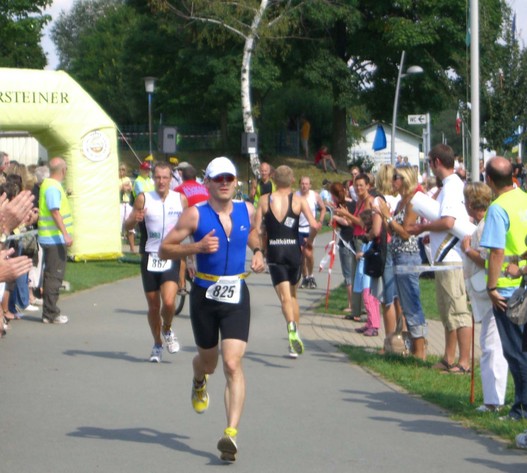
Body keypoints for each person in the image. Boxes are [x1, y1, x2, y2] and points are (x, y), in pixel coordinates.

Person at [159, 156, 265, 462]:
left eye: (229, 178)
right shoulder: (195, 214)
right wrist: (197, 248)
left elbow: (252, 233)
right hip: (204, 296)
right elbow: (165, 248)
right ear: (207, 182)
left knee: (232, 363)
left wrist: (258, 251)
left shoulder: (246, 209)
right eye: (218, 179)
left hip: (236, 295)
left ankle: (230, 435)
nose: (224, 183)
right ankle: (198, 379)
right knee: (209, 363)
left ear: (235, 181)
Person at [409, 144, 472, 373]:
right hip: (444, 257)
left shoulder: (452, 186)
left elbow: (448, 221)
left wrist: (421, 228)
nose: (430, 167)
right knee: (447, 311)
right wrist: (431, 233)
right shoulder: (449, 185)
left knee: (458, 311)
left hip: (451, 257)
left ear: (436, 162)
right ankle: (448, 357)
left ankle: (464, 362)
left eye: (429, 163)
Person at [125, 161, 187, 363]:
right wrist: (135, 218)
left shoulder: (180, 199)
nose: (161, 181)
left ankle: (167, 328)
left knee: (168, 302)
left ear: (171, 179)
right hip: (150, 256)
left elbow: (189, 228)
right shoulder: (143, 198)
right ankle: (157, 343)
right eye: (158, 177)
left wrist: (189, 257)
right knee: (153, 306)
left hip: (171, 255)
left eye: (165, 177)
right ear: (153, 178)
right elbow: (127, 225)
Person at [480, 156, 527, 421]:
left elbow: (497, 251)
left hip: (508, 290)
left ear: (489, 179)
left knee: (515, 352)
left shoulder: (497, 208)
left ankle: (521, 409)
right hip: (523, 282)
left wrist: (491, 287)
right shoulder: (524, 198)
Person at [256, 165, 320, 357]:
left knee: (284, 298)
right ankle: (294, 341)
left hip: (275, 251)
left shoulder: (265, 200)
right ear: (292, 180)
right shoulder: (298, 200)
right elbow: (314, 225)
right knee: (293, 297)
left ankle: (291, 327)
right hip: (293, 251)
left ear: (274, 180)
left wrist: (260, 249)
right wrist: (309, 242)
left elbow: (257, 229)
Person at [461, 181, 508, 412]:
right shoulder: (483, 223)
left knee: (491, 346)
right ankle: (494, 399)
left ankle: (493, 401)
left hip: (491, 292)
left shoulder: (484, 226)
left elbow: (488, 260)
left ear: (471, 203)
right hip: (487, 291)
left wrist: (468, 250)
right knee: (491, 344)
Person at [378, 166, 428, 359]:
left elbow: (406, 233)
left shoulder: (413, 202)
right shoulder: (400, 202)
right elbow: (393, 230)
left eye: (395, 177)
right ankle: (413, 346)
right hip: (398, 255)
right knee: (405, 304)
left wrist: (388, 216)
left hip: (408, 256)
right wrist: (386, 218)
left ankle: (420, 350)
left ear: (405, 179)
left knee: (411, 302)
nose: (392, 181)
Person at [38, 157, 73, 324]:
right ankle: (50, 313)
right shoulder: (53, 187)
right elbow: (54, 211)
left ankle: (49, 311)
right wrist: (65, 233)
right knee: (54, 276)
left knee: (51, 275)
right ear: (63, 170)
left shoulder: (48, 184)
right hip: (54, 239)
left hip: (49, 236)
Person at [296, 176, 325, 289]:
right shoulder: (295, 196)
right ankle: (305, 277)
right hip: (298, 228)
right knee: (301, 254)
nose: (304, 186)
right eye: (302, 183)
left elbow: (323, 208)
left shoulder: (314, 195)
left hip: (310, 228)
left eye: (306, 184)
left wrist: (320, 221)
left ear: (310, 185)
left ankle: (311, 275)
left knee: (308, 253)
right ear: (300, 184)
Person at [119, 163, 136, 253]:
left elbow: (130, 188)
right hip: (119, 203)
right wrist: (122, 188)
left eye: (123, 169)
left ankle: (132, 249)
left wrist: (126, 188)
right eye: (120, 169)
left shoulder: (127, 179)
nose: (121, 171)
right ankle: (118, 249)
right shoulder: (115, 179)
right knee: (118, 227)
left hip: (127, 203)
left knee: (130, 226)